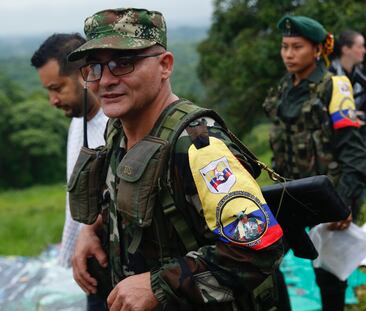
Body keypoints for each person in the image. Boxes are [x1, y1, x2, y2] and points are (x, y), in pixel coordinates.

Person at [68, 8, 284, 310]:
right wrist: (91, 231)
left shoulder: (198, 146)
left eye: (122, 64)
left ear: (165, 65)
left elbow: (260, 247)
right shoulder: (116, 131)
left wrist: (159, 285)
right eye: (95, 67)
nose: (105, 81)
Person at [263, 15, 366, 311]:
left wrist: (343, 202)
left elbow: (353, 151)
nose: (289, 54)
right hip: (289, 190)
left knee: (329, 273)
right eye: (284, 47)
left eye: (297, 47)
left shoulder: (335, 87)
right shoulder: (283, 88)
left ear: (318, 49)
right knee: (266, 259)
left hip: (328, 192)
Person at [30, 33, 108, 310]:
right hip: (91, 270)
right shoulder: (79, 118)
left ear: (84, 74)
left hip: (114, 270)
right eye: (48, 91)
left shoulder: (114, 125)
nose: (52, 100)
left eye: (57, 88)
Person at [330, 30, 366, 139]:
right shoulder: (330, 77)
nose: (364, 51)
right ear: (346, 50)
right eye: (360, 47)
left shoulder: (361, 76)